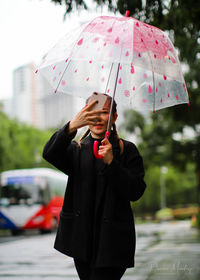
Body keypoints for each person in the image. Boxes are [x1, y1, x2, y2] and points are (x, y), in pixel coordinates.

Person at [42, 93, 146, 280]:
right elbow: (50, 153)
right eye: (92, 112)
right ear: (84, 114)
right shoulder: (76, 149)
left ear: (114, 117)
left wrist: (112, 163)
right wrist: (71, 126)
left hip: (113, 242)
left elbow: (136, 191)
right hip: (81, 240)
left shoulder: (127, 150)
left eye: (104, 112)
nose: (98, 118)